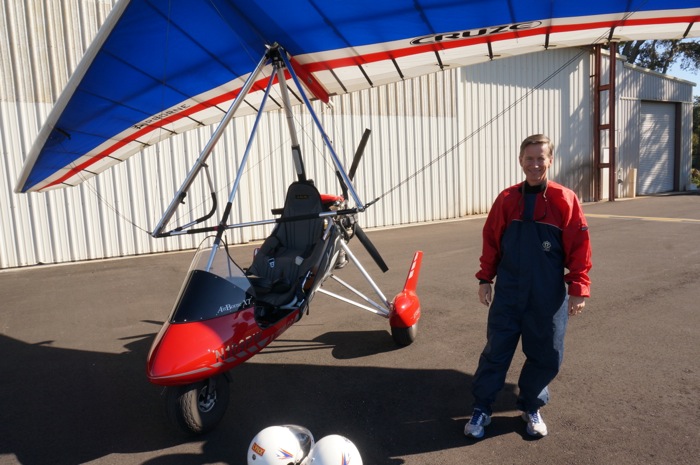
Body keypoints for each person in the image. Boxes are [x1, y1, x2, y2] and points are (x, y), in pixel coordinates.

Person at [465, 134, 592, 439]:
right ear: (520, 160)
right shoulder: (507, 199)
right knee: (496, 352)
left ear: (550, 160)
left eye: (541, 158)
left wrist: (578, 287)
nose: (535, 165)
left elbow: (580, 246)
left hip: (547, 297)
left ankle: (530, 405)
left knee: (546, 354)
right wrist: (485, 278)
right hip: (509, 293)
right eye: (529, 158)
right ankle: (482, 407)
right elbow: (492, 240)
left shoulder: (565, 199)